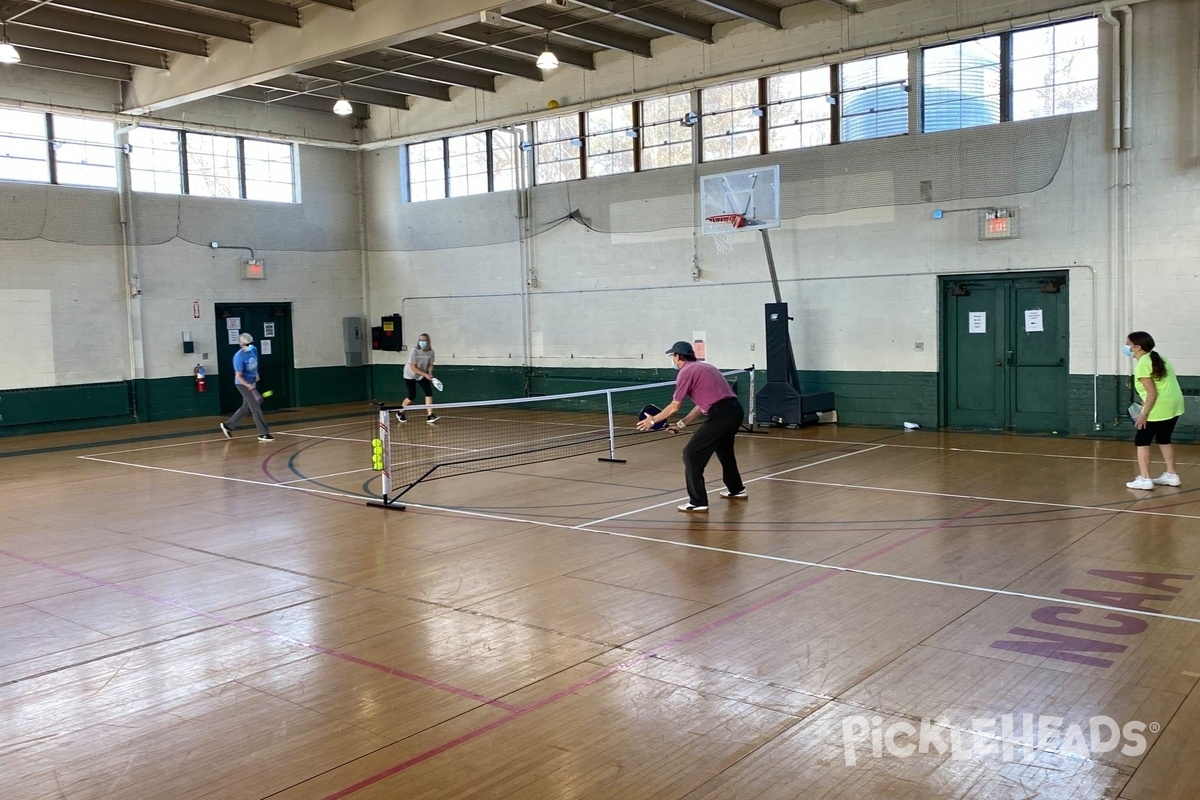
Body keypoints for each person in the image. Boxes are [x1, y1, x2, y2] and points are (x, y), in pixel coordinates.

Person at [637, 341, 747, 512]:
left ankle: (698, 502)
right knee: (725, 451)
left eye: (672, 355)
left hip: (720, 414)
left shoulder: (686, 372)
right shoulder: (705, 367)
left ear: (678, 356)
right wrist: (680, 425)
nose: (672, 359)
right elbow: (701, 406)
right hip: (735, 411)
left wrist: (652, 420)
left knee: (691, 455)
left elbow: (675, 406)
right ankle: (737, 489)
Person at [1124, 331, 1184, 490]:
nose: (1126, 347)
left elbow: (1152, 393)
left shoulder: (1143, 363)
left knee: (1142, 441)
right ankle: (1172, 476)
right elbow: (1160, 386)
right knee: (1164, 438)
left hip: (1158, 408)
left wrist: (1143, 414)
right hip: (1174, 405)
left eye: (1128, 345)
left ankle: (1144, 479)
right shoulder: (1159, 357)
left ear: (1137, 347)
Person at [219, 332, 273, 442]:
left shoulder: (253, 349)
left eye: (250, 344)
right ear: (241, 345)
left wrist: (256, 374)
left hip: (252, 381)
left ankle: (228, 425)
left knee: (246, 407)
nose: (249, 346)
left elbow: (255, 363)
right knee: (255, 406)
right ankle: (264, 433)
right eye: (247, 344)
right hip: (242, 384)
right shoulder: (238, 357)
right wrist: (248, 385)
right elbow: (238, 375)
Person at [400, 332, 439, 424]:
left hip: (422, 374)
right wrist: (424, 374)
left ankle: (430, 415)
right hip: (410, 374)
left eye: (423, 340)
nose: (421, 342)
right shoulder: (414, 351)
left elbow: (430, 365)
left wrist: (429, 373)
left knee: (428, 392)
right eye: (420, 340)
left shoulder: (431, 352)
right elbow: (412, 367)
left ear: (428, 341)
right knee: (412, 396)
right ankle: (400, 412)